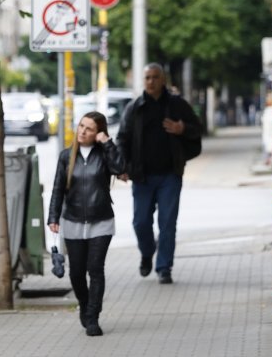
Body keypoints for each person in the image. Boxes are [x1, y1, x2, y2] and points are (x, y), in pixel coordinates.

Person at [116, 63, 203, 285]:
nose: (151, 81)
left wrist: (182, 129)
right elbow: (122, 138)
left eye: (155, 77)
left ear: (162, 80)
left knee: (167, 223)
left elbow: (197, 128)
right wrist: (121, 166)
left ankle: (164, 267)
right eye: (147, 78)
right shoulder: (134, 108)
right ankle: (147, 252)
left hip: (169, 175)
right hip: (142, 176)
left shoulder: (177, 105)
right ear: (142, 81)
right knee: (140, 222)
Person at [48, 111, 124, 337]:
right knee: (77, 273)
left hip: (101, 221)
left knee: (95, 269)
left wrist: (108, 143)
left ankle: (93, 317)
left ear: (98, 132)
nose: (82, 131)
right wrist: (53, 217)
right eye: (81, 126)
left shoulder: (104, 154)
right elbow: (58, 188)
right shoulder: (66, 156)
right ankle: (84, 303)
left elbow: (120, 168)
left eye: (89, 128)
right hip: (72, 221)